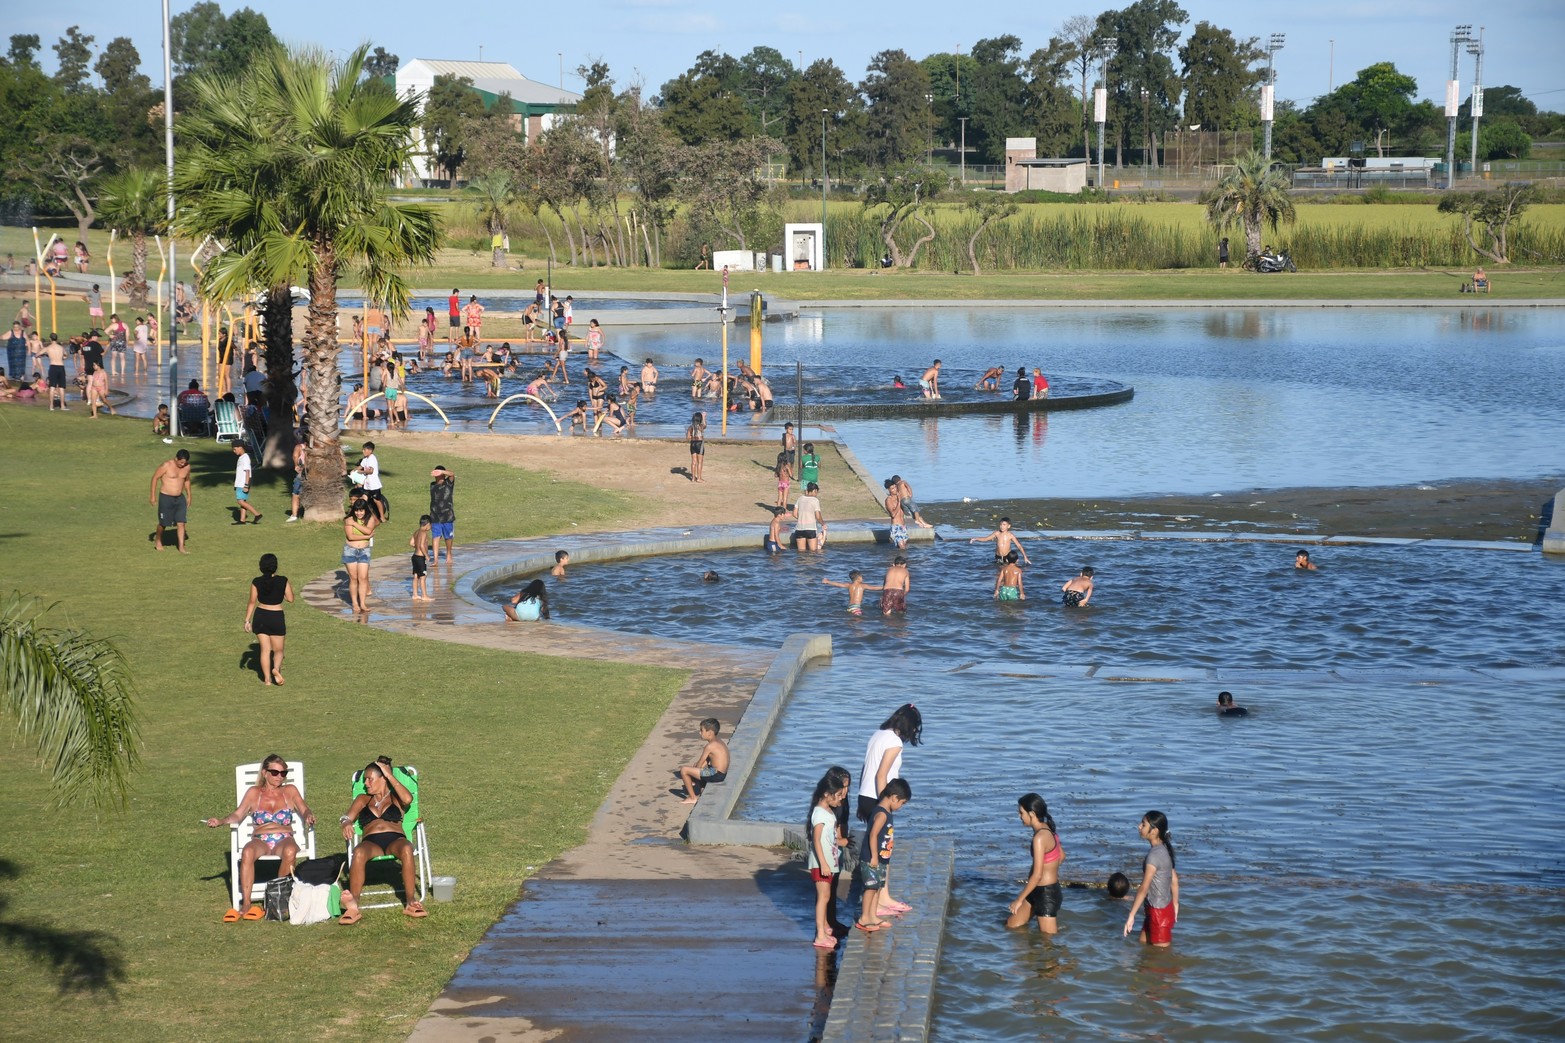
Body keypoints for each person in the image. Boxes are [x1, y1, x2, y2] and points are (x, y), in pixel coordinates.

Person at [205, 753, 315, 922]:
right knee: (248, 851)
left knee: (290, 850)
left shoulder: (289, 791)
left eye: (283, 773)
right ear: (264, 773)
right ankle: (247, 903)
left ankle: (278, 898)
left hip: (284, 836)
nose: (279, 777)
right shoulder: (254, 793)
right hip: (261, 839)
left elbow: (303, 808)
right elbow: (238, 814)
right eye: (275, 772)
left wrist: (308, 815)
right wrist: (221, 821)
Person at [338, 759, 425, 923]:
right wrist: (346, 823)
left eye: (370, 778)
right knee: (358, 852)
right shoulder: (363, 799)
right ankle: (353, 905)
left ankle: (410, 901)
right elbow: (346, 816)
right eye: (364, 779)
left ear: (383, 778)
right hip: (371, 842)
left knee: (407, 848)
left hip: (395, 840)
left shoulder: (395, 797)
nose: (366, 783)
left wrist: (389, 775)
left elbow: (407, 799)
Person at [856, 778, 911, 932]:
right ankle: (864, 918)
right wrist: (874, 856)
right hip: (872, 858)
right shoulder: (881, 814)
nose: (901, 807)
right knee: (870, 888)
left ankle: (873, 916)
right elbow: (872, 835)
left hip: (881, 858)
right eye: (902, 803)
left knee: (878, 887)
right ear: (894, 797)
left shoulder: (887, 811)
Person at [1006, 793, 1064, 934]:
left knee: (1048, 943)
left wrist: (1019, 900)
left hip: (1046, 894)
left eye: (1021, 813)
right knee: (1011, 926)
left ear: (1031, 813)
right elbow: (1061, 856)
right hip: (1036, 890)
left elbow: (1037, 875)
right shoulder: (1048, 828)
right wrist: (1049, 870)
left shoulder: (1039, 838)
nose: (1020, 816)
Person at [808, 768, 851, 948]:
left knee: (825, 896)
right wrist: (824, 863)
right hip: (821, 864)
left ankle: (825, 927)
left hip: (828, 862)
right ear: (827, 794)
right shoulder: (819, 813)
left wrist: (840, 842)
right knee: (823, 897)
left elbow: (829, 837)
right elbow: (816, 840)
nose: (841, 798)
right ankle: (820, 935)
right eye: (838, 795)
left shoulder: (829, 811)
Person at [1124, 810, 1178, 947]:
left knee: (1161, 960)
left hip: (1158, 914)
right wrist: (1175, 904)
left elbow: (1144, 888)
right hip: (1158, 909)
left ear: (1154, 831)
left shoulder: (1154, 855)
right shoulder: (1163, 848)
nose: (1139, 826)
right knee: (1143, 952)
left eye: (1143, 824)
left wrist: (1131, 915)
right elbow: (1174, 879)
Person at [244, 553, 294, 685]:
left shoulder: (256, 582)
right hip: (276, 616)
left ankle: (267, 680)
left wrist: (247, 621)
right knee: (278, 650)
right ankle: (276, 669)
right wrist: (282, 593)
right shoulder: (283, 580)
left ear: (261, 567)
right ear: (275, 566)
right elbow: (290, 599)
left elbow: (251, 602)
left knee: (265, 650)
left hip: (260, 616)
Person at [674, 718, 729, 804]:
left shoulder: (709, 746)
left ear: (709, 733)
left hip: (715, 774)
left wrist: (693, 772)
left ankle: (692, 798)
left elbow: (699, 765)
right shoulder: (719, 741)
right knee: (699, 766)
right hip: (721, 773)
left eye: (701, 730)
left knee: (684, 770)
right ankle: (701, 787)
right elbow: (706, 761)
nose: (700, 733)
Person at [150, 449, 193, 552]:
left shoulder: (187, 467)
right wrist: (152, 496)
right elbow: (155, 478)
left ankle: (181, 547)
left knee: (181, 522)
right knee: (163, 523)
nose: (182, 464)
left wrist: (189, 496)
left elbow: (187, 481)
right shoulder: (166, 465)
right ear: (176, 458)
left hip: (179, 498)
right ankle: (158, 541)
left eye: (184, 462)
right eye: (181, 462)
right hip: (166, 497)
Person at [342, 500, 377, 612]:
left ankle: (362, 604)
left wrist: (355, 524)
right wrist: (367, 536)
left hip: (364, 551)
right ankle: (355, 603)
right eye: (356, 510)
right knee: (353, 578)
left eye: (361, 510)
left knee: (363, 578)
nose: (358, 513)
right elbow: (350, 537)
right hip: (350, 550)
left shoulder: (370, 519)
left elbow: (368, 530)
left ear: (365, 510)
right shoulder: (348, 519)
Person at [427, 465, 456, 566]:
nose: (437, 476)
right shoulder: (432, 485)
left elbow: (452, 474)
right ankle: (435, 560)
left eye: (439, 474)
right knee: (436, 536)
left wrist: (441, 471)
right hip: (435, 516)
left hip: (447, 515)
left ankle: (449, 553)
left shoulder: (449, 483)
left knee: (448, 537)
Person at [356, 442, 388, 522]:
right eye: (363, 449)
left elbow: (371, 471)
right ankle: (363, 517)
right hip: (367, 485)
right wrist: (354, 470)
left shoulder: (372, 458)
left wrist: (361, 472)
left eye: (364, 450)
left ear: (370, 450)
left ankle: (382, 517)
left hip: (374, 485)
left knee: (376, 500)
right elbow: (361, 466)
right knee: (364, 499)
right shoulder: (365, 459)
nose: (363, 451)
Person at [232, 443, 262, 524]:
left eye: (235, 449)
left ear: (240, 447)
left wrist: (246, 484)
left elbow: (247, 471)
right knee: (242, 501)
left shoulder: (245, 458)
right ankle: (242, 520)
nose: (233, 451)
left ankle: (257, 514)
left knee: (240, 501)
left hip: (243, 483)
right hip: (239, 483)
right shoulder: (241, 457)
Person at [792, 482, 825, 552]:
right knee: (813, 553)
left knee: (801, 553)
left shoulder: (800, 498)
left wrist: (801, 518)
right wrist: (823, 524)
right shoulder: (815, 500)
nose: (816, 494)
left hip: (799, 529)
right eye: (816, 492)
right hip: (810, 529)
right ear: (814, 491)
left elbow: (794, 514)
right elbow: (818, 516)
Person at [410, 516, 432, 601]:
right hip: (420, 558)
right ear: (428, 524)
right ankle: (424, 595)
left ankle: (415, 595)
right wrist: (427, 555)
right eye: (430, 526)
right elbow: (422, 545)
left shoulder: (416, 532)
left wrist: (417, 548)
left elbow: (411, 543)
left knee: (416, 576)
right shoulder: (424, 533)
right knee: (423, 577)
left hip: (414, 556)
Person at [883, 479, 908, 549]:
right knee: (902, 547)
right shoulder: (889, 500)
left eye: (895, 487)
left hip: (903, 526)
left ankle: (896, 558)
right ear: (889, 490)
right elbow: (893, 514)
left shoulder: (899, 496)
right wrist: (899, 502)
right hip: (896, 526)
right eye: (892, 488)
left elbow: (910, 495)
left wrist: (906, 484)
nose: (895, 490)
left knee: (903, 547)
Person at [687, 412, 706, 483]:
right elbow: (705, 425)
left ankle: (693, 478)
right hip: (699, 444)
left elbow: (688, 437)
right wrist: (704, 417)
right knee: (700, 462)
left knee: (693, 461)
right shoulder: (700, 426)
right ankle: (699, 478)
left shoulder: (690, 427)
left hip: (692, 444)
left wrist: (693, 437)